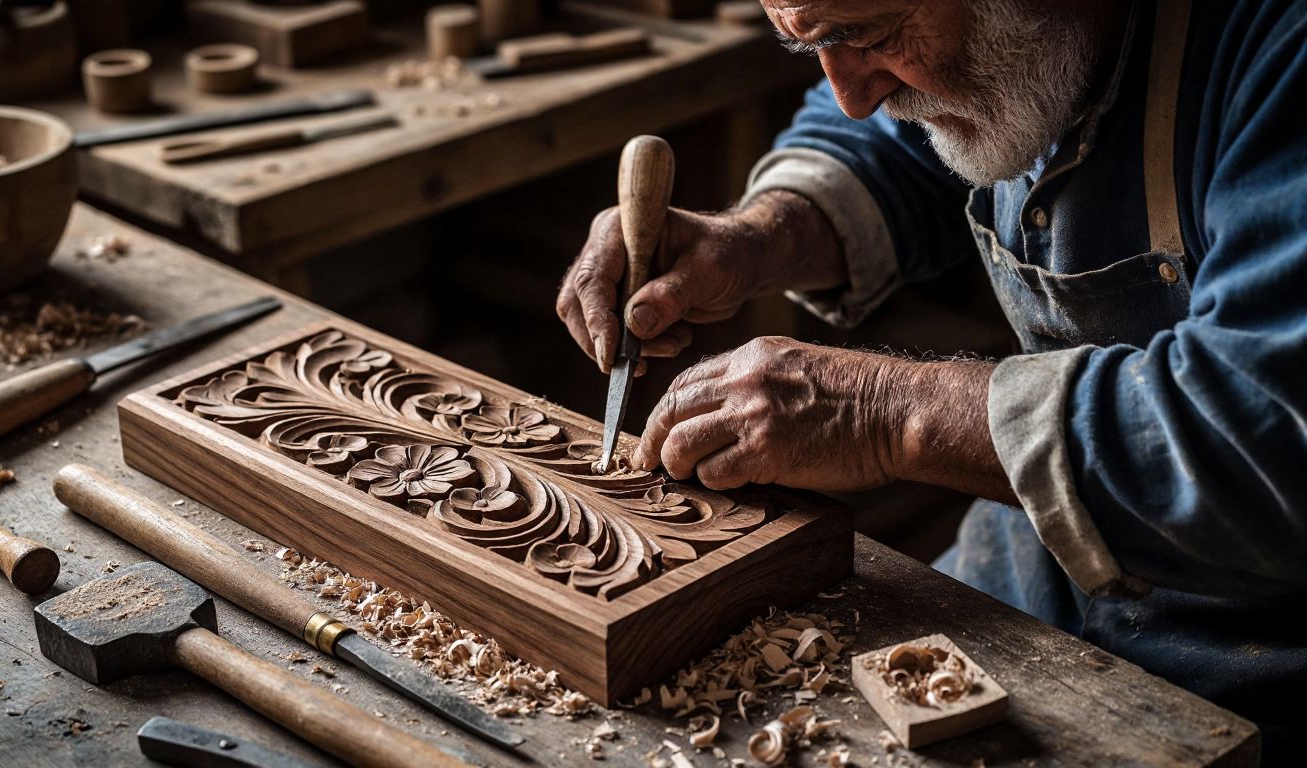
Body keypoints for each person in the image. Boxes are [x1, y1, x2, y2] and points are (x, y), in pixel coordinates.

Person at [555, 0, 1307, 761]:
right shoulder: (1007, 44)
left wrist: (886, 413)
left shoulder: (1279, 50)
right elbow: (908, 137)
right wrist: (758, 237)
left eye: (868, 37)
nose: (851, 94)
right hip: (1032, 562)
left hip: (1257, 650)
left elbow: (1261, 434)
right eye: (808, 44)